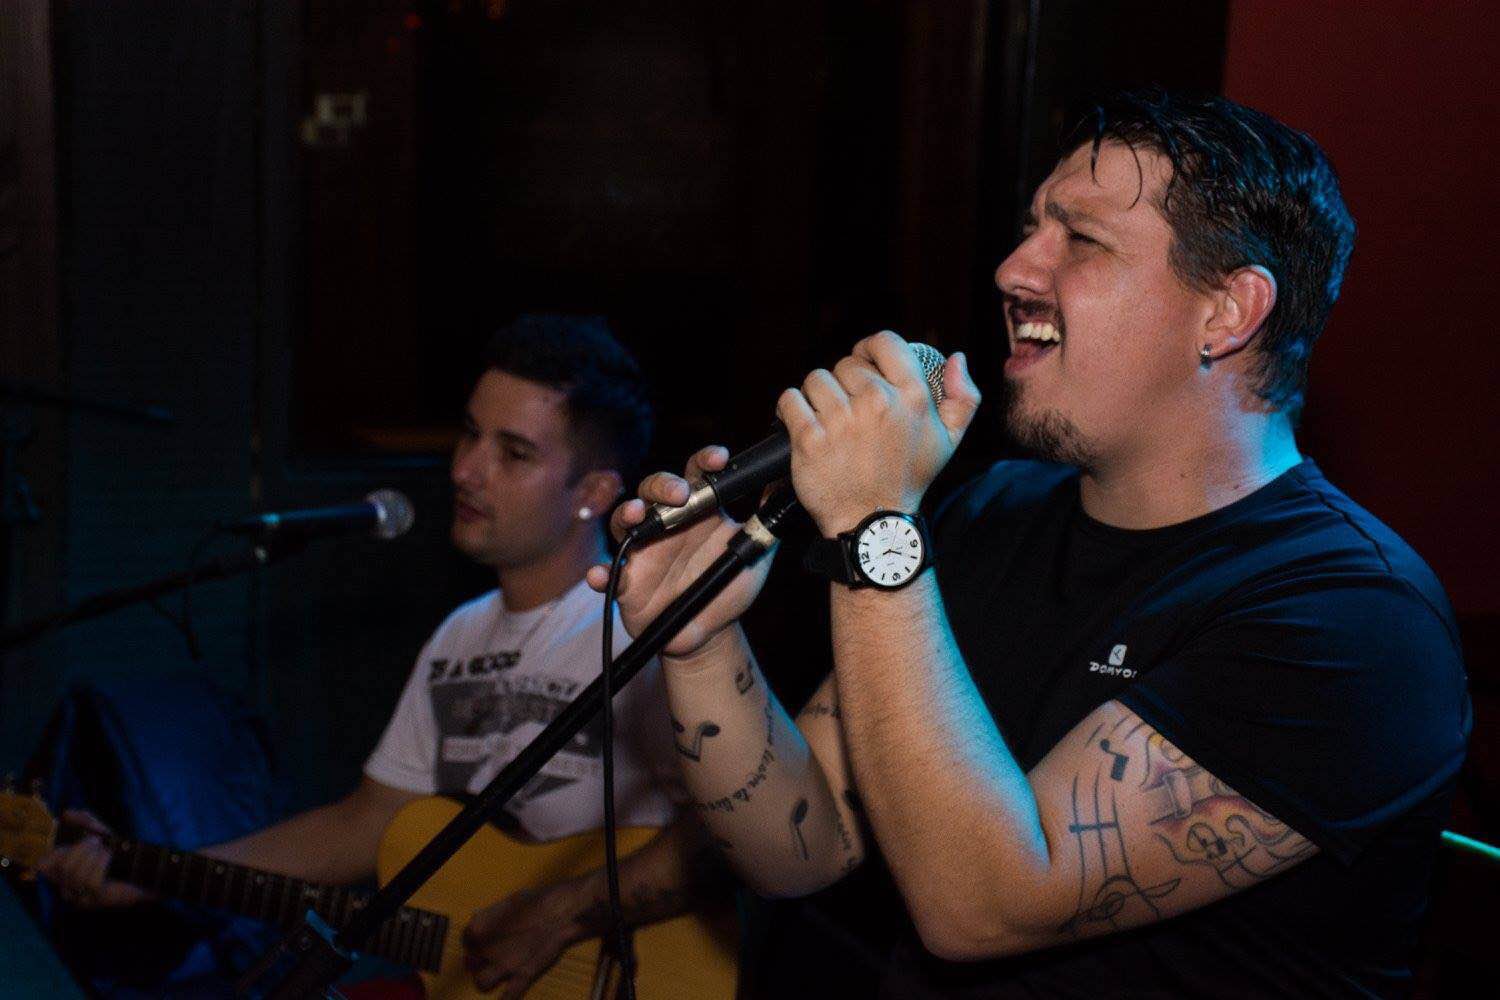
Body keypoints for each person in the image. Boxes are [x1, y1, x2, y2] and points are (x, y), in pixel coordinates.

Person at [592, 90, 1471, 996]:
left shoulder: (1355, 620)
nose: (1013, 269)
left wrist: (875, 522)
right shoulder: (995, 512)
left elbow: (980, 906)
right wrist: (701, 643)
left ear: (1228, 311)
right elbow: (802, 848)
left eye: (1080, 239)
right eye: (1028, 230)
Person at [41, 314, 725, 998]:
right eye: (470, 433)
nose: (464, 469)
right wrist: (156, 871)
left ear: (594, 494)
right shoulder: (460, 635)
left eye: (513, 453)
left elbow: (731, 835)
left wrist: (561, 912)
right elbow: (366, 824)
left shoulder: (639, 633)